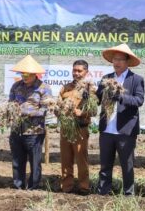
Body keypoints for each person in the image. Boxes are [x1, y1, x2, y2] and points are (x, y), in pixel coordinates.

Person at [96, 43, 145, 196]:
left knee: (127, 164)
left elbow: (139, 100)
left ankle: (128, 194)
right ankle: (103, 192)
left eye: (120, 59)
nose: (116, 62)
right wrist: (90, 96)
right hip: (107, 130)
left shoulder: (136, 79)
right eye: (114, 59)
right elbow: (98, 98)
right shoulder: (106, 78)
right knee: (105, 164)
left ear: (127, 61)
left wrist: (120, 97)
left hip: (126, 130)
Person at [9, 55, 52, 190]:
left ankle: (33, 187)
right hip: (16, 129)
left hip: (34, 131)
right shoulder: (16, 86)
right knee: (17, 160)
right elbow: (10, 103)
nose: (25, 76)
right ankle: (18, 185)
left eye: (27, 74)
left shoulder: (43, 88)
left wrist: (27, 113)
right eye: (22, 73)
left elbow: (45, 109)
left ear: (34, 74)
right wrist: (10, 111)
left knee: (35, 161)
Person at [57, 60, 97, 195]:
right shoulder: (65, 88)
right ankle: (66, 186)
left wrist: (82, 113)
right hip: (65, 129)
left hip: (80, 129)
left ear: (86, 72)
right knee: (65, 159)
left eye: (79, 71)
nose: (76, 73)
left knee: (81, 159)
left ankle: (84, 187)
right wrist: (58, 110)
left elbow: (94, 111)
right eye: (74, 70)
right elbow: (57, 105)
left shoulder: (90, 89)